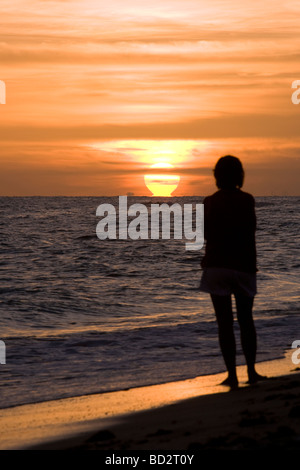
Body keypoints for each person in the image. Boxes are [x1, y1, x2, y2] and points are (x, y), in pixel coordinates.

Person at [200, 155, 265, 389]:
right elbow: (251, 230)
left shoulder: (209, 201)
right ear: (240, 176)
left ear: (217, 176)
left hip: (217, 266)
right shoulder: (248, 200)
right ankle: (251, 371)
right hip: (243, 266)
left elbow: (205, 234)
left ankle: (232, 375)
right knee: (246, 320)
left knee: (224, 323)